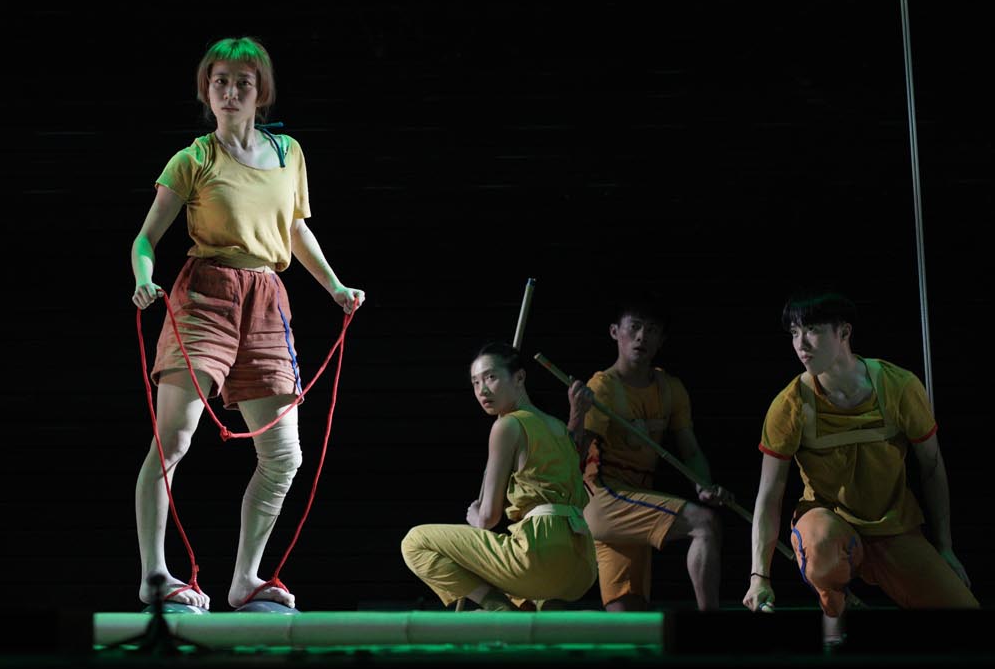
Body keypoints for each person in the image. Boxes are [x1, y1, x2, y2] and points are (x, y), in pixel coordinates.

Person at [130, 37, 365, 610]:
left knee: (284, 454)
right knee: (173, 440)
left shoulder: (288, 153)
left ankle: (246, 578)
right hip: (204, 294)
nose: (231, 92)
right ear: (206, 91)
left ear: (261, 92)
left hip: (266, 299)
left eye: (243, 82)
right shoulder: (193, 160)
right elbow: (145, 238)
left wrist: (335, 286)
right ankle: (155, 574)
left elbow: (295, 229)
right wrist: (142, 277)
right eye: (220, 82)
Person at [744, 291, 976, 640]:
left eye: (812, 330)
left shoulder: (899, 386)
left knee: (967, 622)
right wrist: (759, 576)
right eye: (794, 332)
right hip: (828, 522)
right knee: (822, 547)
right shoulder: (789, 405)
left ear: (844, 332)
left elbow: (931, 466)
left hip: (892, 526)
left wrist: (944, 545)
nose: (800, 344)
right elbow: (769, 494)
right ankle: (835, 611)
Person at [401, 343, 599, 611]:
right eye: (475, 382)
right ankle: (534, 610)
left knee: (415, 542)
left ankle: (498, 609)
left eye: (491, 377)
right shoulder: (557, 427)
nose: (482, 390)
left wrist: (474, 516)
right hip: (582, 566)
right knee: (530, 603)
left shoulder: (507, 425)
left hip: (541, 557)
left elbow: (488, 518)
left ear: (519, 377)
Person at [578, 295, 727, 612]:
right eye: (634, 327)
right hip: (604, 499)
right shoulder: (602, 388)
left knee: (627, 613)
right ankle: (712, 626)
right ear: (615, 332)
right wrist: (577, 415)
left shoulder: (670, 389)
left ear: (661, 340)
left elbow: (691, 451)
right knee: (705, 524)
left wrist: (703, 485)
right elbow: (574, 455)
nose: (642, 336)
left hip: (635, 503)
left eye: (652, 330)